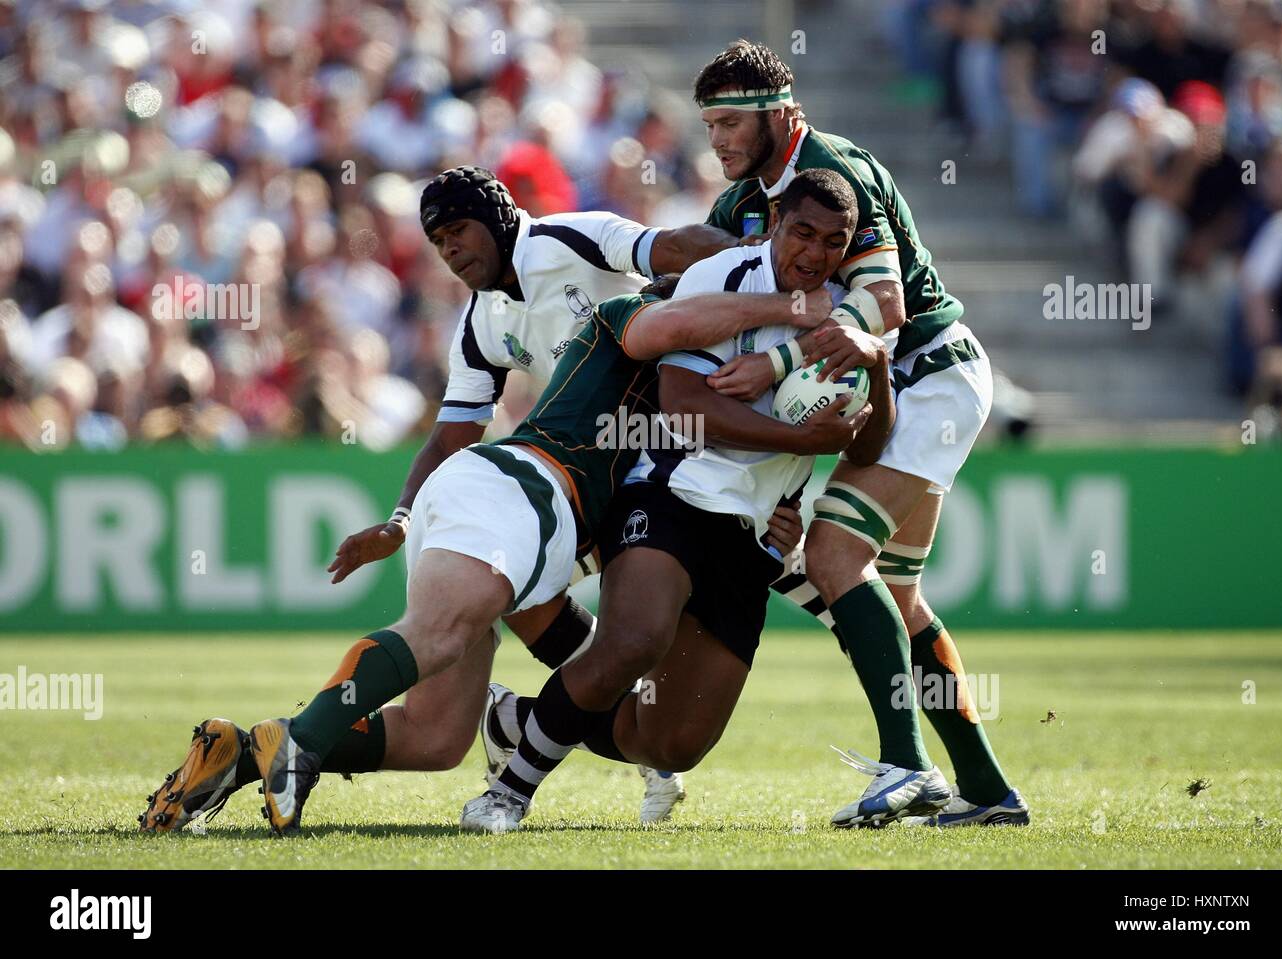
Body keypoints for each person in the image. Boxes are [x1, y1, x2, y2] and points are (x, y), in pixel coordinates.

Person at [139, 165, 753, 832]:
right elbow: (450, 433)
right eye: (436, 241)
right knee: (523, 643)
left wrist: (760, 264)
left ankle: (244, 753)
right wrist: (401, 518)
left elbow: (675, 246)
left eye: (458, 229)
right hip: (536, 492)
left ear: (498, 218)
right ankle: (318, 742)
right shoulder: (486, 322)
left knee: (436, 737)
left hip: (585, 489)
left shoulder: (571, 239)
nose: (450, 249)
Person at [459, 169, 912, 834]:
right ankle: (508, 794)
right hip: (671, 494)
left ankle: (518, 721)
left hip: (756, 534)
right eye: (803, 232)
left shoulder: (849, 316)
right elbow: (683, 407)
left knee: (669, 743)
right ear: (776, 222)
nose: (814, 253)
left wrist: (875, 363)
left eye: (833, 242)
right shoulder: (720, 278)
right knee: (633, 642)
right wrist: (800, 439)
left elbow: (867, 448)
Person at [687, 40, 1028, 827]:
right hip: (894, 387)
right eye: (709, 125)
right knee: (897, 600)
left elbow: (885, 304)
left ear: (781, 114)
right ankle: (986, 788)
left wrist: (776, 361)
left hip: (927, 372)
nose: (719, 140)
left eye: (732, 122)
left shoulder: (833, 169)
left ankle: (907, 766)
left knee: (835, 555)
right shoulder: (745, 199)